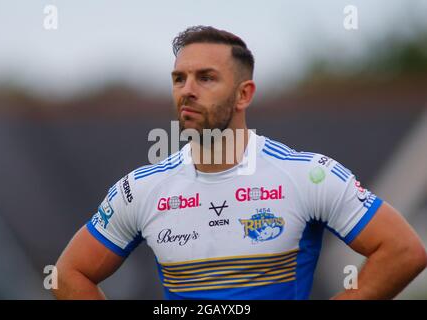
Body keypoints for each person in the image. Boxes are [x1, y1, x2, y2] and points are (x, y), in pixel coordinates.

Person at [52, 26, 426, 300]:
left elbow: (403, 250)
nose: (188, 90)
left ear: (244, 94)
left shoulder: (306, 174)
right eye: (179, 78)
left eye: (206, 78)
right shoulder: (141, 188)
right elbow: (68, 273)